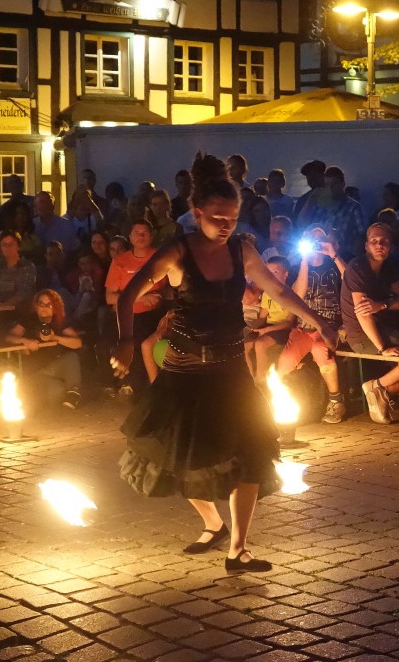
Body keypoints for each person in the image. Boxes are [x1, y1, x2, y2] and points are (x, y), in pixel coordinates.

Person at [109, 153, 337, 573]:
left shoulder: (241, 250)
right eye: (217, 217)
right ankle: (213, 524)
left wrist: (319, 320)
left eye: (232, 217)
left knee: (250, 456)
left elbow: (280, 292)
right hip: (185, 374)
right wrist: (125, 341)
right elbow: (128, 295)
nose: (226, 224)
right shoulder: (177, 252)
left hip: (231, 372)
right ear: (197, 213)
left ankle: (238, 549)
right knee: (177, 458)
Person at [340, 223, 399, 423]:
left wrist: (383, 304)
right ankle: (381, 388)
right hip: (361, 334)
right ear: (366, 246)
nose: (379, 245)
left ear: (391, 247)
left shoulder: (389, 268)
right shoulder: (357, 268)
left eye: (384, 241)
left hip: (385, 328)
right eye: (374, 241)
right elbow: (363, 313)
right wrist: (383, 348)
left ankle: (380, 388)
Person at [276, 224, 347, 423]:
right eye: (311, 239)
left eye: (320, 239)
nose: (316, 243)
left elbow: (351, 280)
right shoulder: (300, 267)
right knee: (285, 361)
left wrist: (333, 255)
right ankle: (283, 405)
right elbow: (298, 294)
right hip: (304, 327)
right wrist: (305, 260)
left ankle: (336, 401)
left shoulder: (334, 264)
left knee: (320, 349)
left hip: (330, 325)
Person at [105, 220, 167, 395]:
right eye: (137, 233)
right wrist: (140, 297)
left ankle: (137, 387)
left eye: (144, 233)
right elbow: (110, 297)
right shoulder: (120, 261)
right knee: (108, 343)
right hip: (125, 315)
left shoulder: (160, 258)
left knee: (141, 340)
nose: (141, 236)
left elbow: (170, 288)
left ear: (151, 237)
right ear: (130, 237)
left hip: (152, 314)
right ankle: (115, 382)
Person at [6, 289, 83, 410]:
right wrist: (25, 341)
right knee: (56, 392)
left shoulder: (59, 322)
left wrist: (54, 338)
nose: (44, 308)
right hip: (37, 370)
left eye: (48, 305)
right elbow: (9, 337)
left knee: (71, 358)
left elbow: (77, 343)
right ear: (36, 306)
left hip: (56, 367)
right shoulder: (28, 321)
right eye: (41, 304)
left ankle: (74, 394)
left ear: (55, 307)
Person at [297, 166, 366, 258]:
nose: (330, 188)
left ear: (342, 184)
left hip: (342, 256)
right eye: (327, 185)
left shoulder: (353, 207)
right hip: (318, 254)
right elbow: (301, 223)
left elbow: (361, 235)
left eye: (334, 184)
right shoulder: (320, 205)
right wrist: (311, 200)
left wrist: (353, 258)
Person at [245, 256, 295, 383]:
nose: (271, 276)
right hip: (268, 326)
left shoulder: (291, 294)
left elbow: (289, 323)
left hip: (283, 329)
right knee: (247, 342)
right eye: (269, 272)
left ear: (285, 274)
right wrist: (251, 327)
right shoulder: (268, 293)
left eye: (275, 272)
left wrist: (266, 330)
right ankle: (252, 377)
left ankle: (261, 380)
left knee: (260, 344)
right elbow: (263, 317)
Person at [0, 230, 37, 310]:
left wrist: (3, 306)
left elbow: (23, 293)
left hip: (20, 311)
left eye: (11, 244)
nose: (8, 248)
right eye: (4, 245)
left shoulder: (27, 266)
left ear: (18, 246)